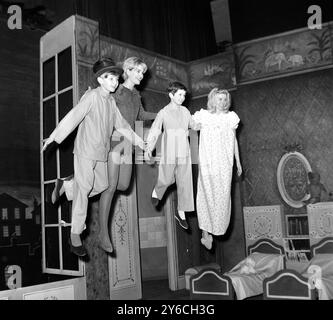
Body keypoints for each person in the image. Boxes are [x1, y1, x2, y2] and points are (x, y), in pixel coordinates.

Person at [42, 58, 146, 257]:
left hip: (101, 153)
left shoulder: (110, 102)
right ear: (100, 80)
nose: (114, 82)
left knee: (101, 185)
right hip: (85, 151)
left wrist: (140, 142)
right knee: (84, 189)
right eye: (109, 78)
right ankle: (75, 235)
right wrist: (54, 137)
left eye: (116, 78)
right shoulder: (91, 97)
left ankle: (65, 186)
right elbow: (73, 116)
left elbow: (123, 125)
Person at [192, 88, 242, 250]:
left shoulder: (231, 118)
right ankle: (206, 234)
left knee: (222, 196)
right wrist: (193, 124)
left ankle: (217, 228)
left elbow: (234, 141)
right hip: (207, 162)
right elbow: (192, 125)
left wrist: (238, 162)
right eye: (219, 99)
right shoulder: (204, 115)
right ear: (212, 100)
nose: (222, 102)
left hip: (225, 164)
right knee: (206, 194)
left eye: (224, 99)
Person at [146, 81, 200, 230]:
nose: (183, 97)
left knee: (185, 181)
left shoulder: (186, 112)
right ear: (171, 95)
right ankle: (157, 191)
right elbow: (155, 130)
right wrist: (149, 147)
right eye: (180, 94)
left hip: (184, 150)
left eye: (184, 95)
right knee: (167, 177)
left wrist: (203, 121)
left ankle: (181, 212)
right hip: (169, 148)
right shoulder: (163, 112)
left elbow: (194, 125)